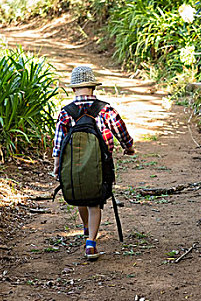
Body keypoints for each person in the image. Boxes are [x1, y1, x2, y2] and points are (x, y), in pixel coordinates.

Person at [52, 65, 135, 260]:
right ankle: (91, 243)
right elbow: (121, 131)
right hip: (100, 165)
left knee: (81, 195)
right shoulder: (105, 109)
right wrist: (128, 147)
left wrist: (57, 166)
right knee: (95, 202)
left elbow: (58, 143)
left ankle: (87, 227)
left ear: (74, 89)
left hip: (73, 167)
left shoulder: (66, 112)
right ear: (93, 88)